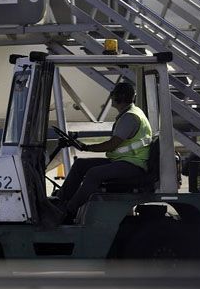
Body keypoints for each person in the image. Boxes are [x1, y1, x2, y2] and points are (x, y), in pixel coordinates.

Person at [55, 81, 152, 222]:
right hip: (124, 161)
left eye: (113, 95)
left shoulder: (130, 117)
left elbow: (112, 145)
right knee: (80, 164)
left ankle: (69, 210)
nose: (111, 98)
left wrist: (87, 147)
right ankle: (60, 201)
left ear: (120, 97)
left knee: (94, 174)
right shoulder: (130, 114)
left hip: (133, 165)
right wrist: (84, 146)